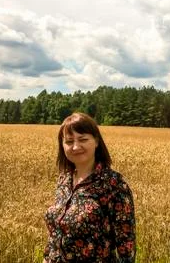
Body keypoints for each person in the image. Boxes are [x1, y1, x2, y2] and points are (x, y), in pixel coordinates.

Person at [43, 112, 136, 262]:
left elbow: (127, 247)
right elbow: (55, 236)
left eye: (83, 139)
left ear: (97, 141)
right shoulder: (64, 180)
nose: (75, 146)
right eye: (69, 141)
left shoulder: (114, 184)